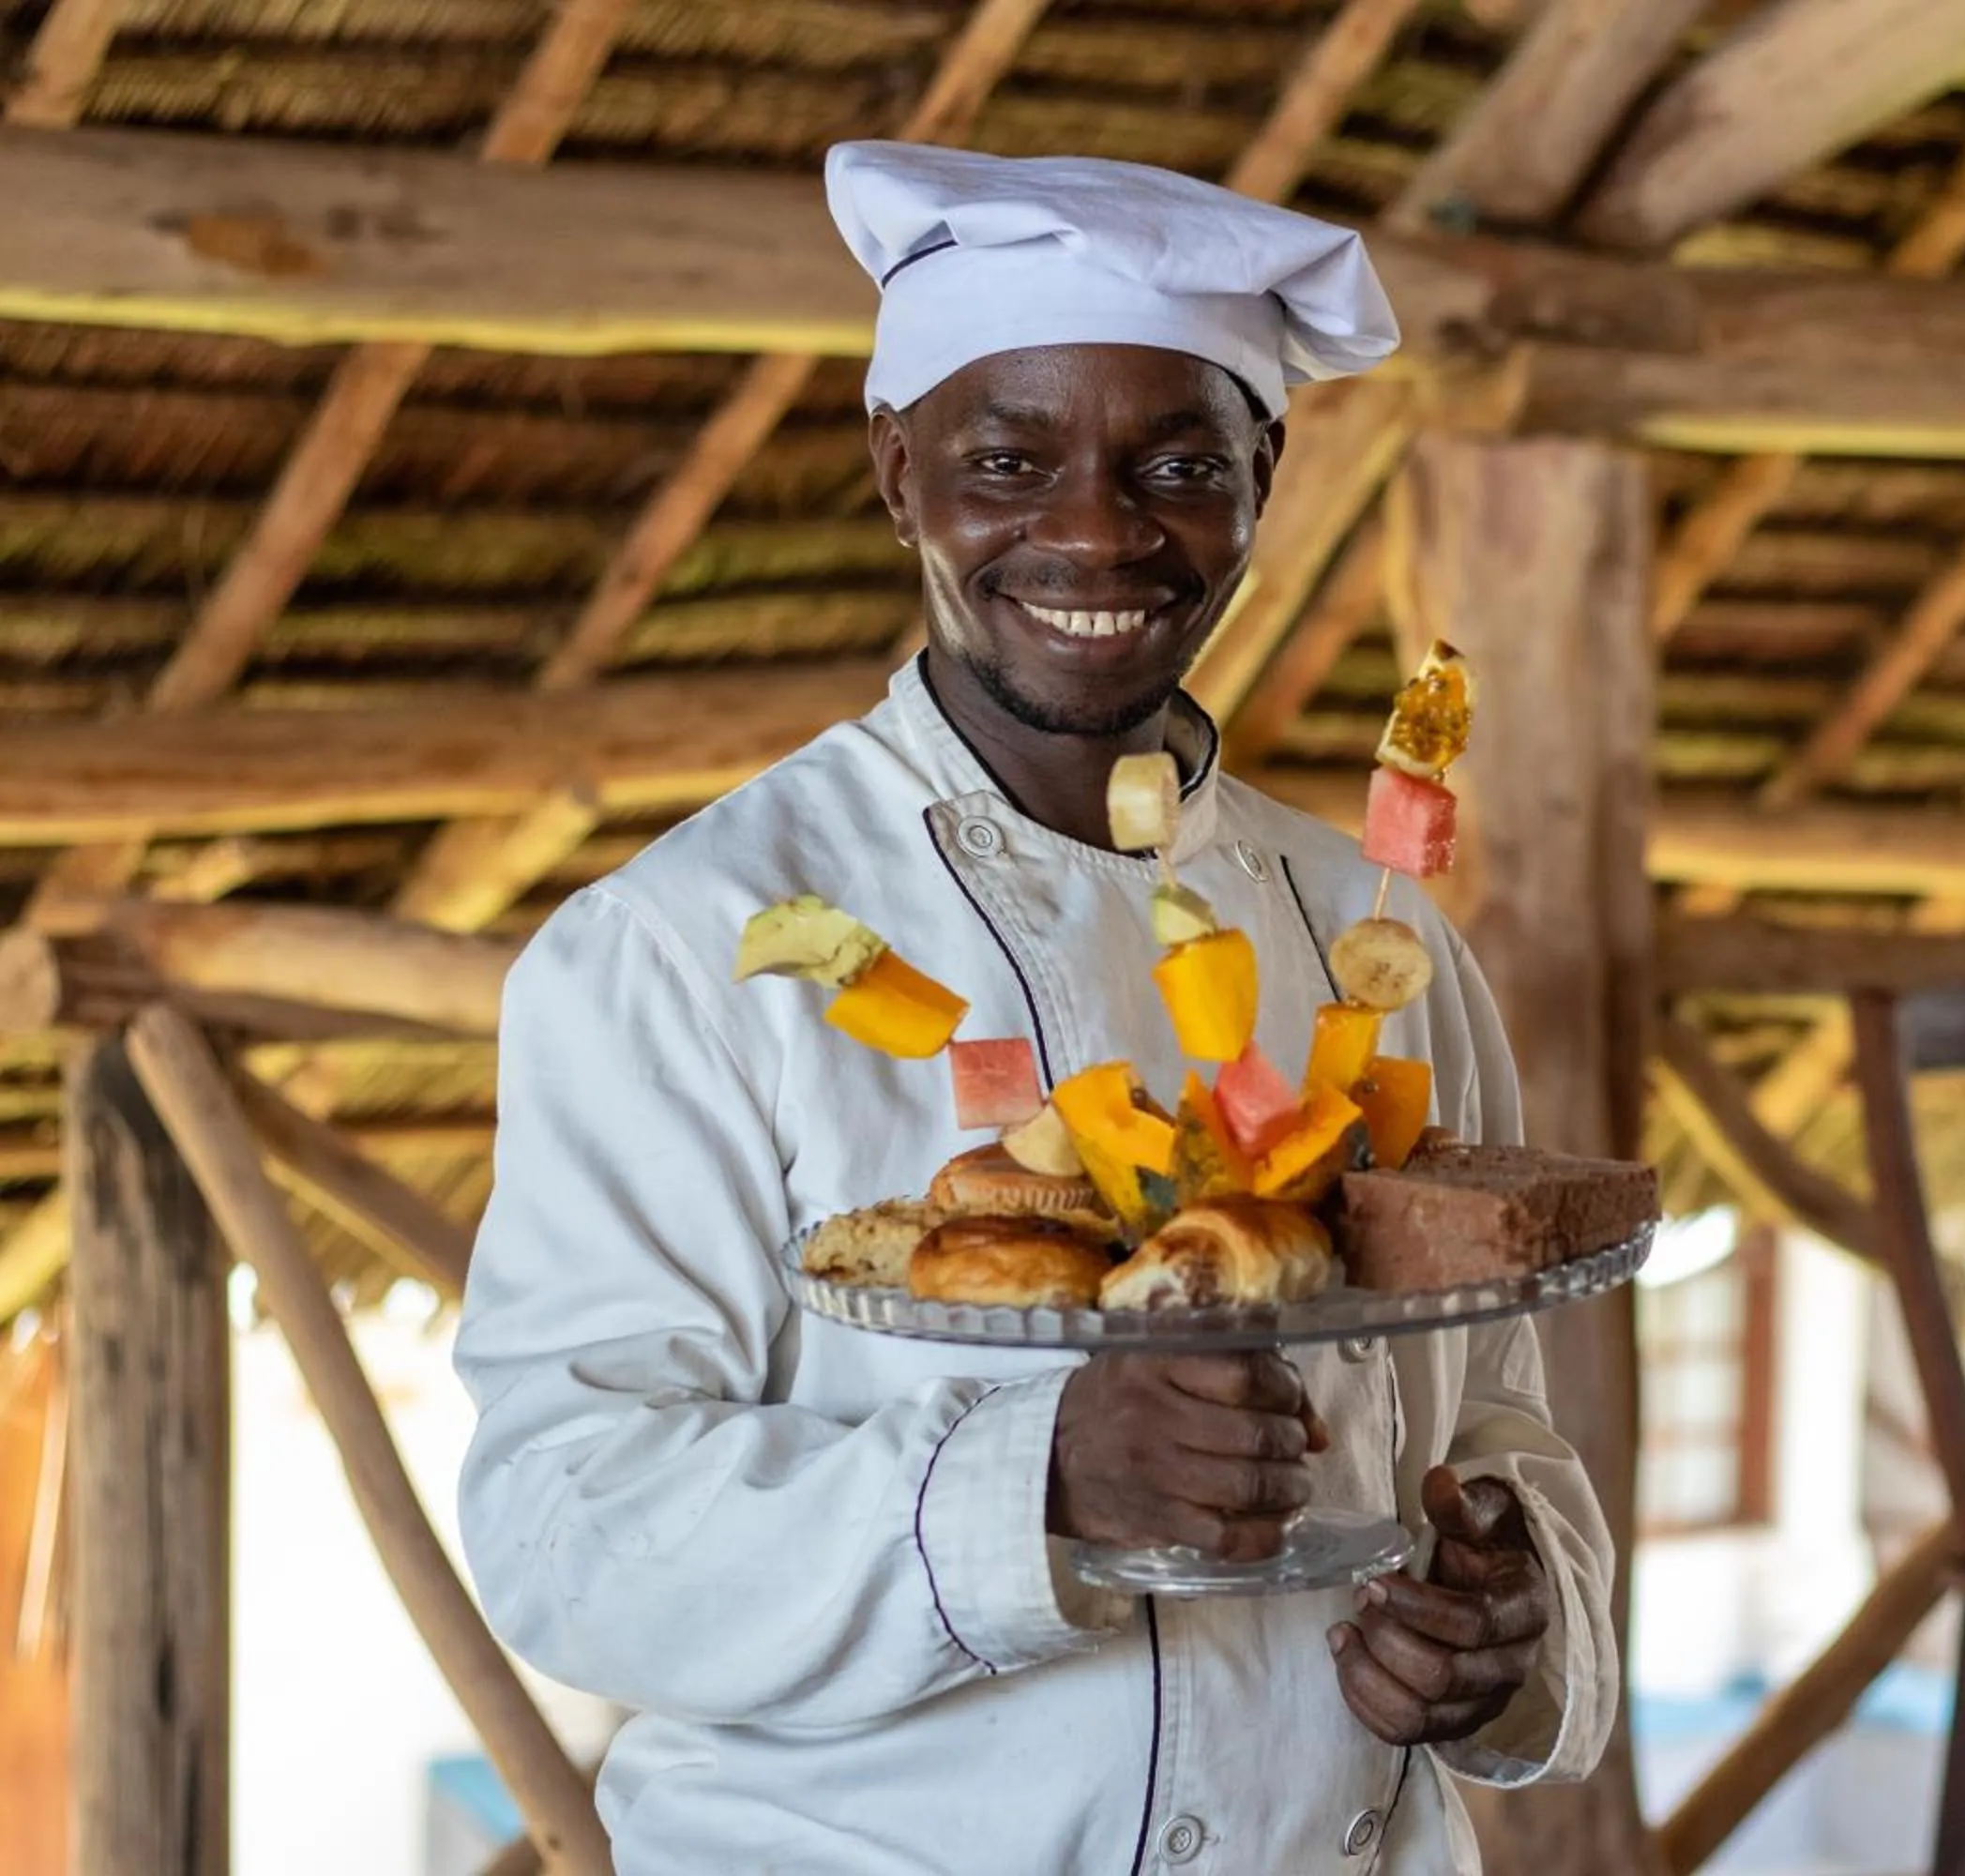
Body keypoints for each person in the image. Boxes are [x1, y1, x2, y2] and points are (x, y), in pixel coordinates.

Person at [453, 142, 1617, 1875]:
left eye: (1177, 464)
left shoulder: (1377, 937)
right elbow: (562, 1524)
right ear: (894, 469)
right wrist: (1037, 1482)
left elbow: (1492, 1405)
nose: (1097, 532)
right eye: (1008, 460)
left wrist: (1512, 1618)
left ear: (1264, 480)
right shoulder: (681, 944)